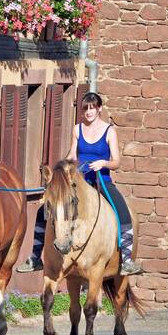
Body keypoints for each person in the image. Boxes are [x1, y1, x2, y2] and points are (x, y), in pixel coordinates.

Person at [17, 92, 142, 276]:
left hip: (101, 180)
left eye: (92, 108)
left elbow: (116, 161)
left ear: (99, 108)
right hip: (78, 180)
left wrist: (103, 163)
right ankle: (35, 257)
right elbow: (72, 156)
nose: (89, 112)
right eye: (85, 108)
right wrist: (59, 173)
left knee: (123, 211)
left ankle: (127, 260)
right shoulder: (78, 129)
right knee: (43, 210)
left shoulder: (109, 131)